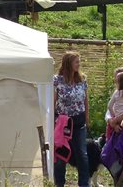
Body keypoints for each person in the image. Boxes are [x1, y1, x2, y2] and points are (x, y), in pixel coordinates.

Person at [53, 52, 90, 187]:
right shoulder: (57, 80)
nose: (79, 64)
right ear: (69, 63)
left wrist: (87, 117)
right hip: (63, 123)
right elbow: (53, 101)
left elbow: (86, 100)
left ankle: (84, 183)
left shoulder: (82, 79)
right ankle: (59, 183)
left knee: (82, 153)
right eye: (76, 62)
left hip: (79, 122)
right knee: (61, 154)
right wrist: (52, 120)